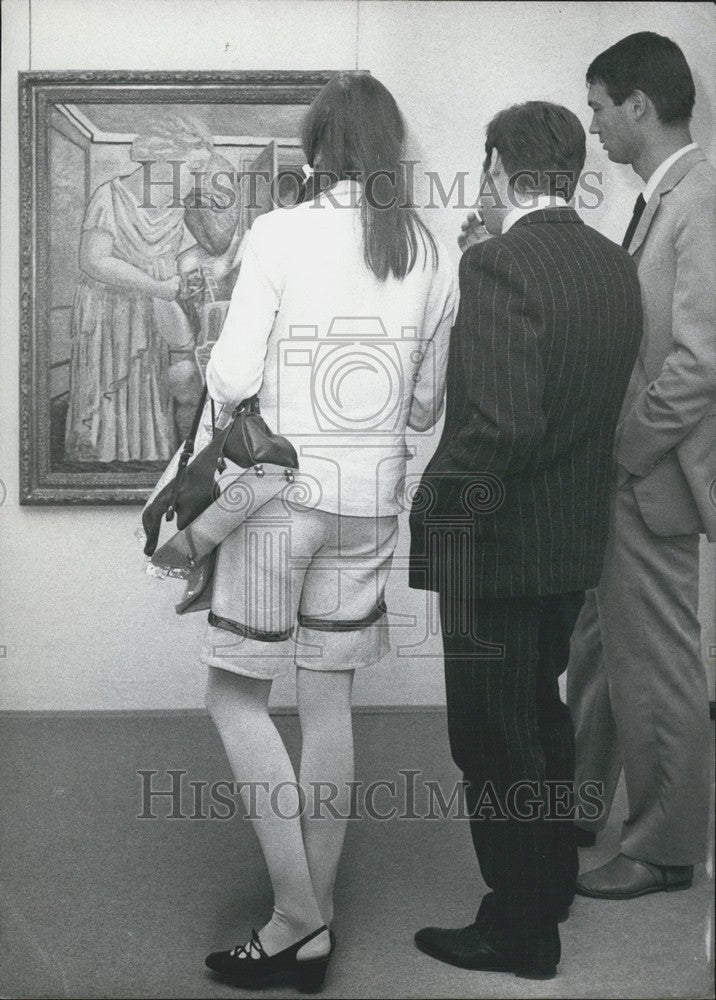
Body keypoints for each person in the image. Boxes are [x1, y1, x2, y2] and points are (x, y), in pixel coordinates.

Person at [200, 71, 456, 991]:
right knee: (330, 706)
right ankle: (315, 924)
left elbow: (231, 379)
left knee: (234, 698)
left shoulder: (279, 232)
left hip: (279, 498)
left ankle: (294, 913)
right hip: (370, 497)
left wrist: (222, 363)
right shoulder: (424, 248)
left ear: (317, 149)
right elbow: (426, 404)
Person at [408, 101, 643, 978]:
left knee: (491, 740)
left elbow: (500, 427)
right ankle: (548, 890)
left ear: (500, 166)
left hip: (500, 550)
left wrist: (433, 508)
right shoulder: (611, 263)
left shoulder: (499, 265)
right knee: (538, 721)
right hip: (571, 541)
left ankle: (520, 932)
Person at [567, 32, 715, 899]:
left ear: (639, 107)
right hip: (629, 474)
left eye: (598, 108)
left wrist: (624, 453)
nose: (593, 127)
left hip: (652, 476)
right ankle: (580, 804)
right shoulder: (665, 197)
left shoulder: (698, 199)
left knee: (656, 663)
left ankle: (663, 848)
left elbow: (699, 361)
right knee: (599, 648)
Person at [64, 115, 215, 464]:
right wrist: (157, 285)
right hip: (107, 314)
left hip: (150, 316)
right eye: (192, 170)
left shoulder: (175, 209)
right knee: (109, 393)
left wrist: (179, 272)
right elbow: (94, 262)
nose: (196, 181)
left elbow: (178, 258)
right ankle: (103, 461)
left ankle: (145, 458)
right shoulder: (110, 196)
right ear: (163, 161)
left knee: (151, 390)